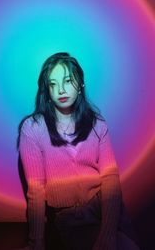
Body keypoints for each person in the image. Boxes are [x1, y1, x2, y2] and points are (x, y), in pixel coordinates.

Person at [17, 52, 140, 250]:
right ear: (46, 90)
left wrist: (107, 234)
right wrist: (36, 243)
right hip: (69, 217)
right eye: (53, 84)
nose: (61, 90)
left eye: (67, 80)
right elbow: (36, 190)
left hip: (105, 206)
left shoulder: (97, 124)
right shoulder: (32, 128)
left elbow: (110, 177)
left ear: (80, 84)